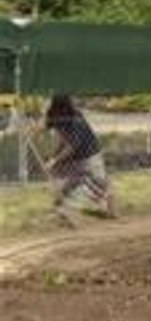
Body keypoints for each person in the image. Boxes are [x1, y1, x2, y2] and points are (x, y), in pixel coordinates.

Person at [43, 93, 116, 226]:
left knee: (98, 183)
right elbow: (64, 141)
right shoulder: (58, 116)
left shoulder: (76, 119)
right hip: (77, 159)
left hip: (89, 156)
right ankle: (64, 211)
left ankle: (105, 210)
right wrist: (53, 158)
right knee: (78, 184)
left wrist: (54, 160)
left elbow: (72, 146)